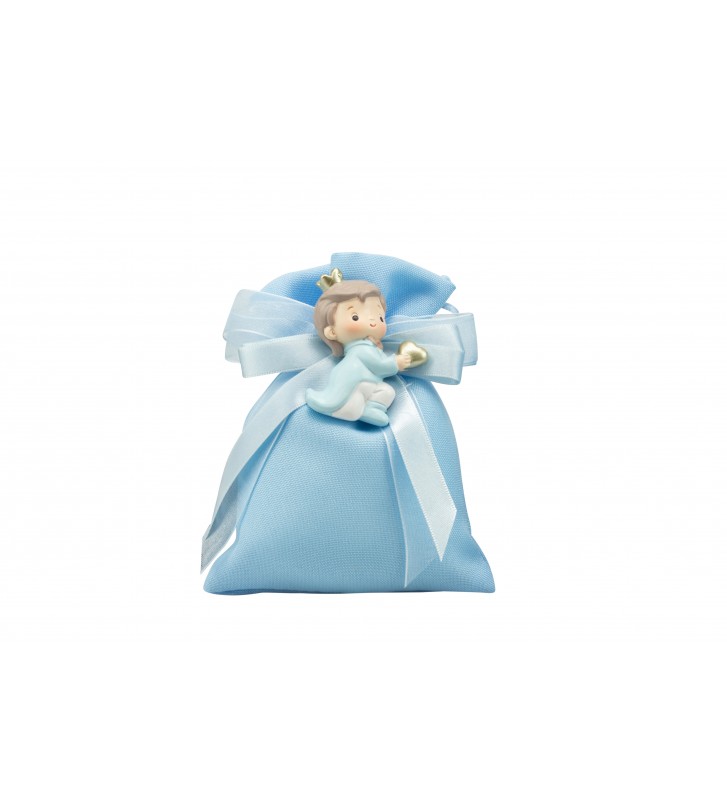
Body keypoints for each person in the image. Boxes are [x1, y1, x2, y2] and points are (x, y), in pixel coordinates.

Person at [305, 274, 411, 426]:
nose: (372, 321)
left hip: (368, 383)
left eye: (380, 317)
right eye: (355, 317)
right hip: (356, 382)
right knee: (358, 400)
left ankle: (371, 409)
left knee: (387, 391)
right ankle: (346, 409)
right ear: (332, 332)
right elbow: (379, 366)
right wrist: (396, 362)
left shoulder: (368, 347)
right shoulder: (361, 349)